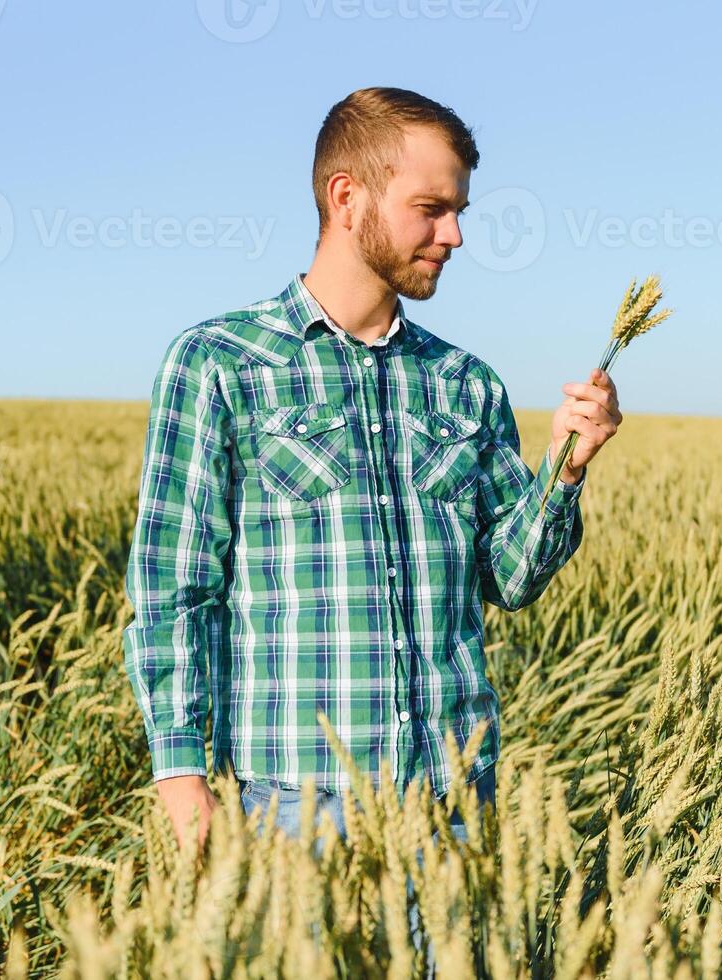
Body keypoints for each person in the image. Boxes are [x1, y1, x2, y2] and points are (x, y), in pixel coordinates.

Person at [121, 84, 620, 877]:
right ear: (346, 197)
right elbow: (174, 588)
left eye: (458, 210)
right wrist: (180, 775)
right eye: (431, 207)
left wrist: (566, 466)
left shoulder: (466, 383)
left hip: (458, 794)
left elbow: (509, 578)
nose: (453, 234)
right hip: (298, 808)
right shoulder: (219, 363)